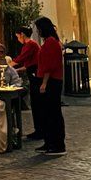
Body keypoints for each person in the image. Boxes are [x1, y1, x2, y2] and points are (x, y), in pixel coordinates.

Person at [34, 17, 66, 155]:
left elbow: (49, 65)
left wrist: (44, 83)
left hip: (52, 81)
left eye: (38, 29)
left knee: (53, 113)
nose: (38, 31)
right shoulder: (49, 42)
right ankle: (49, 142)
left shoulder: (51, 42)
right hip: (49, 80)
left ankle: (57, 144)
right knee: (47, 113)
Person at [12, 26, 42, 139]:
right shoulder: (30, 45)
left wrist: (7, 66)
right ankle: (38, 129)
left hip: (36, 75)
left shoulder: (31, 45)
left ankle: (40, 130)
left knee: (37, 102)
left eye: (18, 36)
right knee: (35, 102)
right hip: (33, 73)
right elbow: (27, 64)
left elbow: (21, 58)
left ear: (22, 34)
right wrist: (16, 70)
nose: (18, 39)